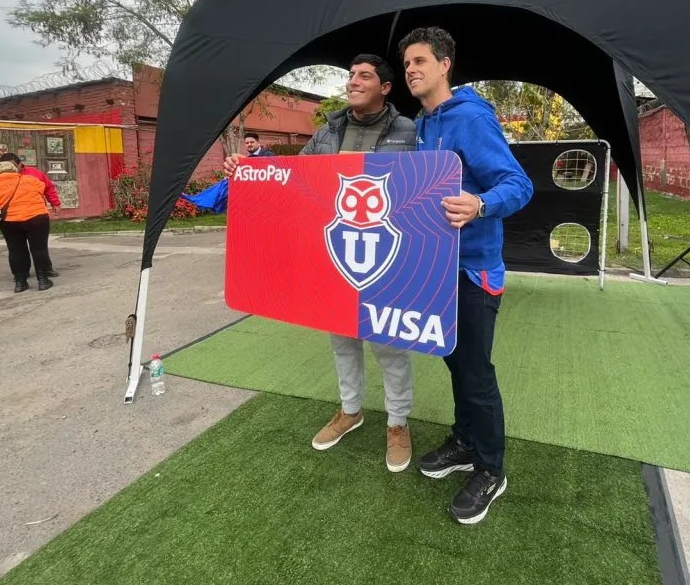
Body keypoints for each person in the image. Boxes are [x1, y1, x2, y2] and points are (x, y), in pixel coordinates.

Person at [225, 54, 418, 471]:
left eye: (365, 76)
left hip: (388, 257)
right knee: (342, 340)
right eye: (351, 75)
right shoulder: (327, 132)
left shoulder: (410, 130)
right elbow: (294, 180)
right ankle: (351, 411)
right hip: (335, 256)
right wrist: (249, 169)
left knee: (390, 345)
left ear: (385, 87)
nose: (354, 81)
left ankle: (398, 424)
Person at [398, 27, 533, 525]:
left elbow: (519, 185)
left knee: (476, 373)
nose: (411, 69)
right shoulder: (423, 124)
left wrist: (479, 204)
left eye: (419, 61)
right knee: (455, 364)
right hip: (439, 269)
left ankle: (492, 469)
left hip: (473, 272)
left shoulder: (472, 118)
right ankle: (465, 442)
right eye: (406, 63)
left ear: (444, 64)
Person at [0, 160, 56, 293]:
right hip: (37, 218)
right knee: (39, 249)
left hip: (10, 222)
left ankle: (20, 283)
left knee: (16, 251)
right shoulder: (31, 180)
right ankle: (43, 280)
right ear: (15, 169)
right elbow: (42, 189)